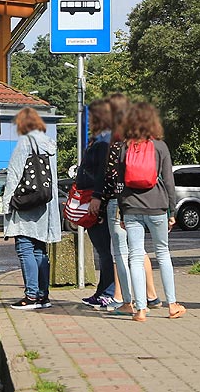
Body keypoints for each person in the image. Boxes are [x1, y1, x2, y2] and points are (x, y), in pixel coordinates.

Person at [91, 93, 160, 315]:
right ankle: (151, 296)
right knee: (138, 250)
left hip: (118, 201)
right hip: (141, 199)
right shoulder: (142, 138)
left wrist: (99, 197)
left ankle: (124, 299)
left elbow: (109, 174)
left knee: (119, 252)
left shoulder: (114, 140)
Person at [118, 101, 186, 322]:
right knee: (163, 253)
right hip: (157, 206)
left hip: (131, 207)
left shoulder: (125, 147)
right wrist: (172, 210)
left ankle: (140, 309)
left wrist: (121, 209)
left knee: (136, 256)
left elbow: (120, 181)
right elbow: (168, 181)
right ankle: (172, 305)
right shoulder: (160, 147)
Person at [0, 107, 61, 310]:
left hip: (26, 204)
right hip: (45, 205)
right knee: (39, 250)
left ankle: (31, 296)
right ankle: (43, 296)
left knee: (24, 247)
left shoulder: (26, 143)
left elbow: (14, 175)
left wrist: (7, 204)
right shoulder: (49, 144)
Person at [76, 98, 116, 308]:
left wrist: (97, 196)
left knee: (104, 248)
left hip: (98, 200)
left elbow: (102, 171)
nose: (90, 120)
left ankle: (109, 291)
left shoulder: (104, 141)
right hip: (94, 197)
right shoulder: (98, 139)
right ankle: (102, 290)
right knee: (101, 248)